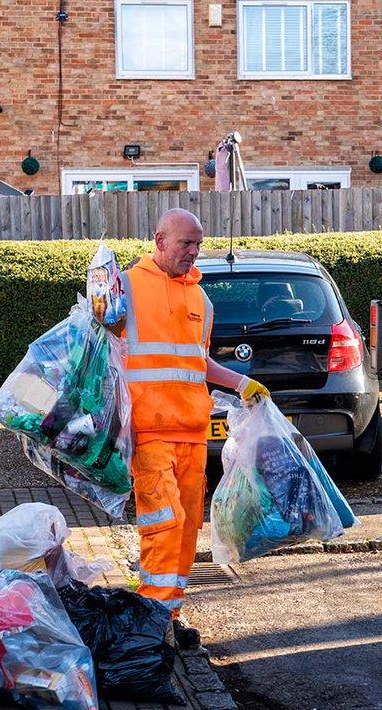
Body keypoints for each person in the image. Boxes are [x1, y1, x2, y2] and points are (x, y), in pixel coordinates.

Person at [116, 208, 268, 648]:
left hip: (191, 432)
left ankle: (170, 614)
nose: (194, 252)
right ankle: (152, 620)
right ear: (159, 241)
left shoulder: (201, 300)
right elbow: (98, 345)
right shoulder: (125, 287)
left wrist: (241, 383)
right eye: (186, 243)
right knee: (164, 523)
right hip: (148, 431)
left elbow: (197, 363)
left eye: (198, 244)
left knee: (186, 529)